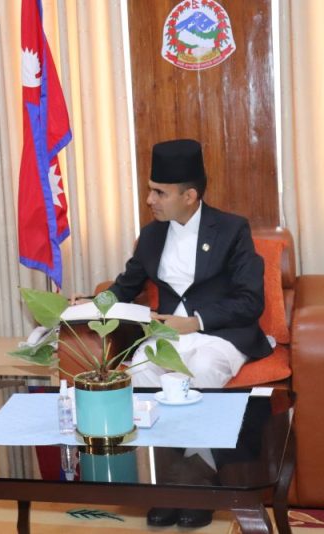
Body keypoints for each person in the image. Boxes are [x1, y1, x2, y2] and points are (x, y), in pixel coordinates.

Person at [107, 139, 272, 528]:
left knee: (198, 377)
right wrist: (88, 305)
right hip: (165, 338)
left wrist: (195, 320)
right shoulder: (151, 236)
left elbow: (251, 301)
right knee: (140, 378)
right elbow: (124, 287)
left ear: (190, 196)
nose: (150, 200)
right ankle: (170, 483)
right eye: (150, 190)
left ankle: (194, 485)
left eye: (159, 192)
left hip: (218, 335)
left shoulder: (232, 230)